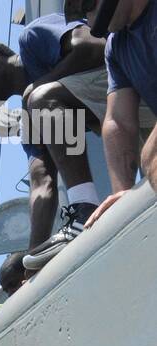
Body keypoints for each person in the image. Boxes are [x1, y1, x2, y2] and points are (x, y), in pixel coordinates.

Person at [0, 13, 117, 266]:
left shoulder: (32, 37)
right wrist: (33, 259)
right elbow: (41, 182)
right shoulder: (31, 115)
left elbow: (94, 46)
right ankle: (81, 214)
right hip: (132, 117)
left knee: (40, 98)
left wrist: (39, 85)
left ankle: (84, 205)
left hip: (131, 81)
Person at [67, 0, 157, 224]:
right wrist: (123, 203)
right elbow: (118, 121)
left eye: (87, 3)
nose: (88, 18)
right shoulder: (115, 46)